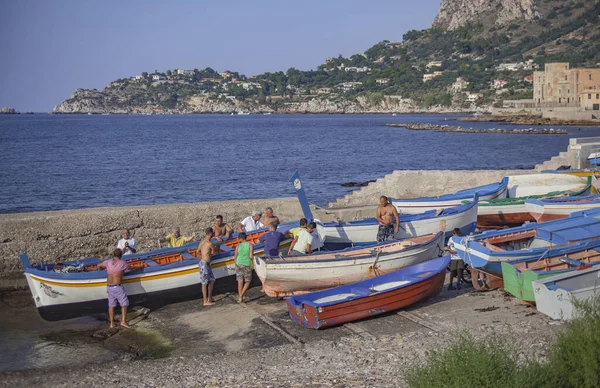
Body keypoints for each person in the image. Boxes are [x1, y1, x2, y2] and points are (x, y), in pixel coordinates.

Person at [97, 248, 132, 329]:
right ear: (121, 255)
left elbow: (98, 265)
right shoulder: (123, 263)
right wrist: (140, 266)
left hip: (109, 287)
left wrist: (101, 270)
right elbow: (131, 268)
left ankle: (112, 324)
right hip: (118, 287)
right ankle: (123, 322)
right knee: (124, 304)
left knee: (111, 305)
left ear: (114, 254)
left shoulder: (108, 262)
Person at [197, 227, 217, 306]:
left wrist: (202, 257)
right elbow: (213, 251)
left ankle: (209, 298)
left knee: (212, 280)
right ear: (211, 234)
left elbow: (197, 251)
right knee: (204, 283)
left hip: (205, 263)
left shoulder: (202, 242)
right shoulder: (210, 243)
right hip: (204, 264)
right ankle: (205, 301)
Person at [233, 232, 254, 303]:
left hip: (238, 263)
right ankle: (241, 295)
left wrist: (235, 263)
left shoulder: (238, 245)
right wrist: (252, 264)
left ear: (240, 238)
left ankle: (240, 297)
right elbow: (251, 256)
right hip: (246, 263)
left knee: (240, 280)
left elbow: (235, 255)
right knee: (248, 281)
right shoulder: (250, 245)